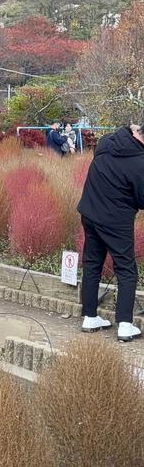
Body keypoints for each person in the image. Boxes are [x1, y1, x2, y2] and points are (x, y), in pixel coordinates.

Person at [77, 124, 144, 342]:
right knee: (126, 269)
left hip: (89, 213)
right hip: (115, 220)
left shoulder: (107, 142)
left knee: (92, 264)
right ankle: (125, 324)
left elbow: (121, 134)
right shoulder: (139, 164)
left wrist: (127, 128)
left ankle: (89, 316)